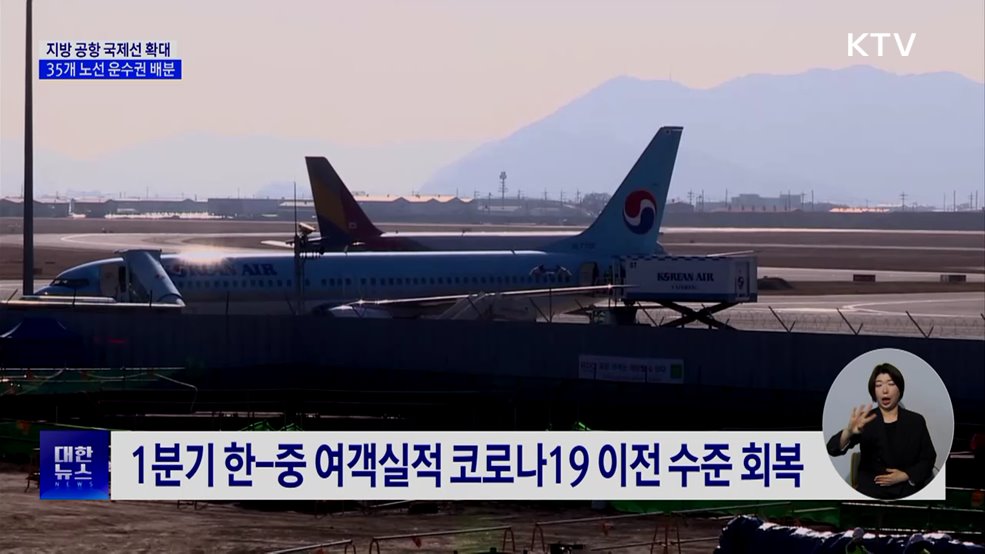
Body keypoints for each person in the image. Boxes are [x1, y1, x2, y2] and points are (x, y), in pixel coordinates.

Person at [827, 363, 937, 499]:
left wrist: (905, 475)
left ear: (899, 389)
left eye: (891, 384)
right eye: (878, 385)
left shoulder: (916, 421)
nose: (885, 390)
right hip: (871, 492)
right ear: (874, 391)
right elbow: (832, 448)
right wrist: (849, 431)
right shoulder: (866, 420)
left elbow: (928, 459)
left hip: (906, 491)